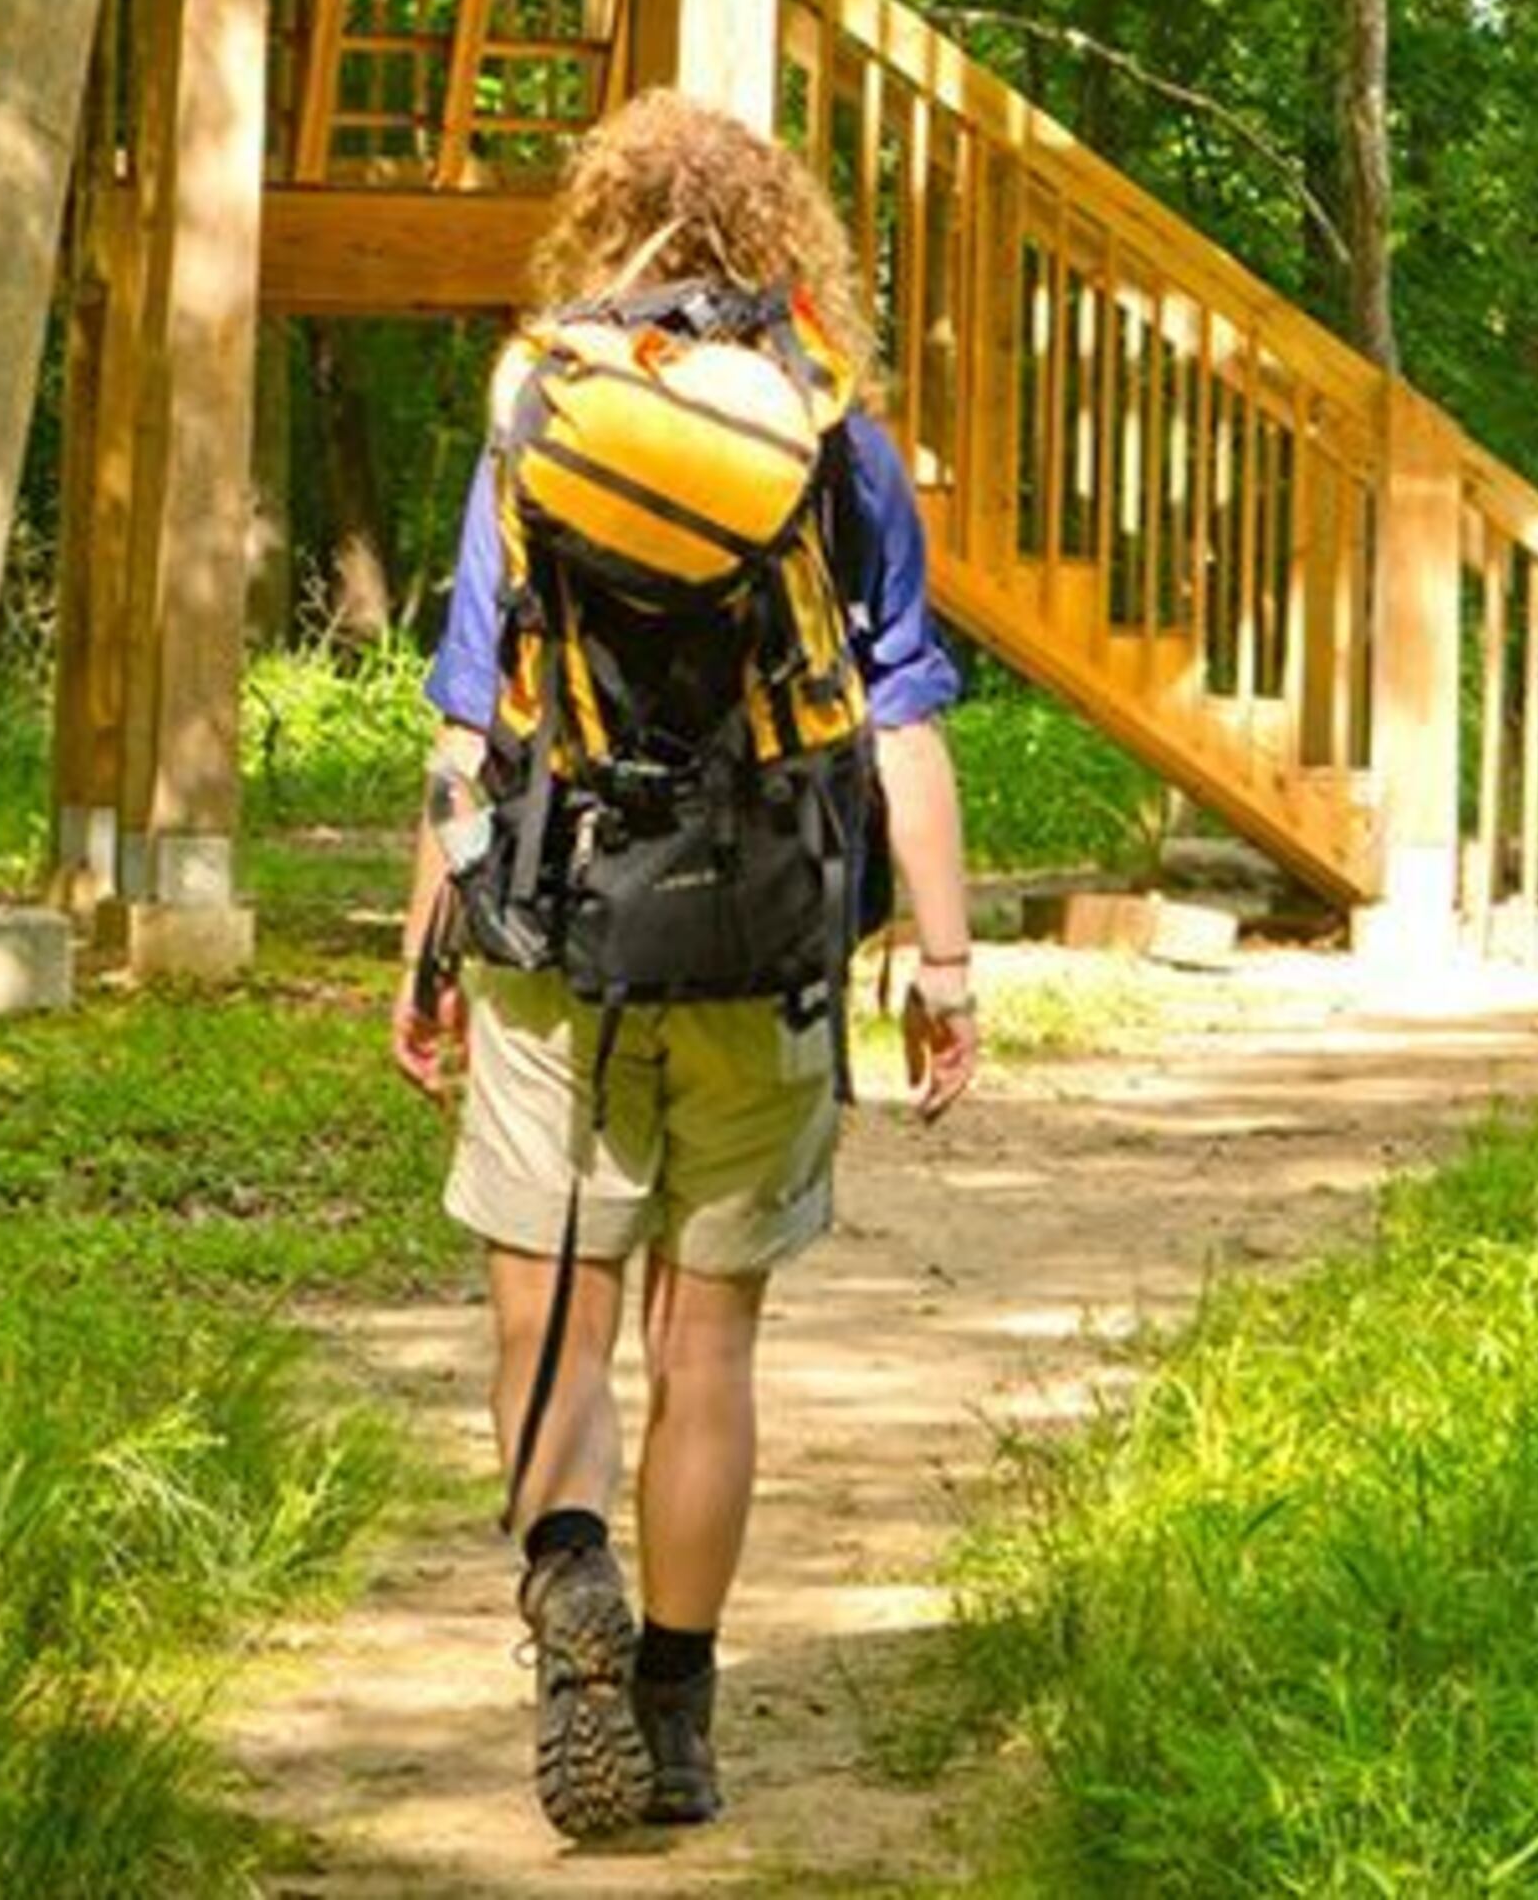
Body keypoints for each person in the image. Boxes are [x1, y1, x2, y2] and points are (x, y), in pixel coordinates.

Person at [387, 91, 983, 1839]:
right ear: (787, 246)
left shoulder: (540, 417)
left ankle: (564, 1561)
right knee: (706, 1347)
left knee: (551, 1314)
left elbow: (465, 721)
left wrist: (426, 947)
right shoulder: (832, 439)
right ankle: (679, 1710)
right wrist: (943, 963)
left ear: (606, 230)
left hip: (557, 941)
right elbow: (903, 725)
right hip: (764, 947)